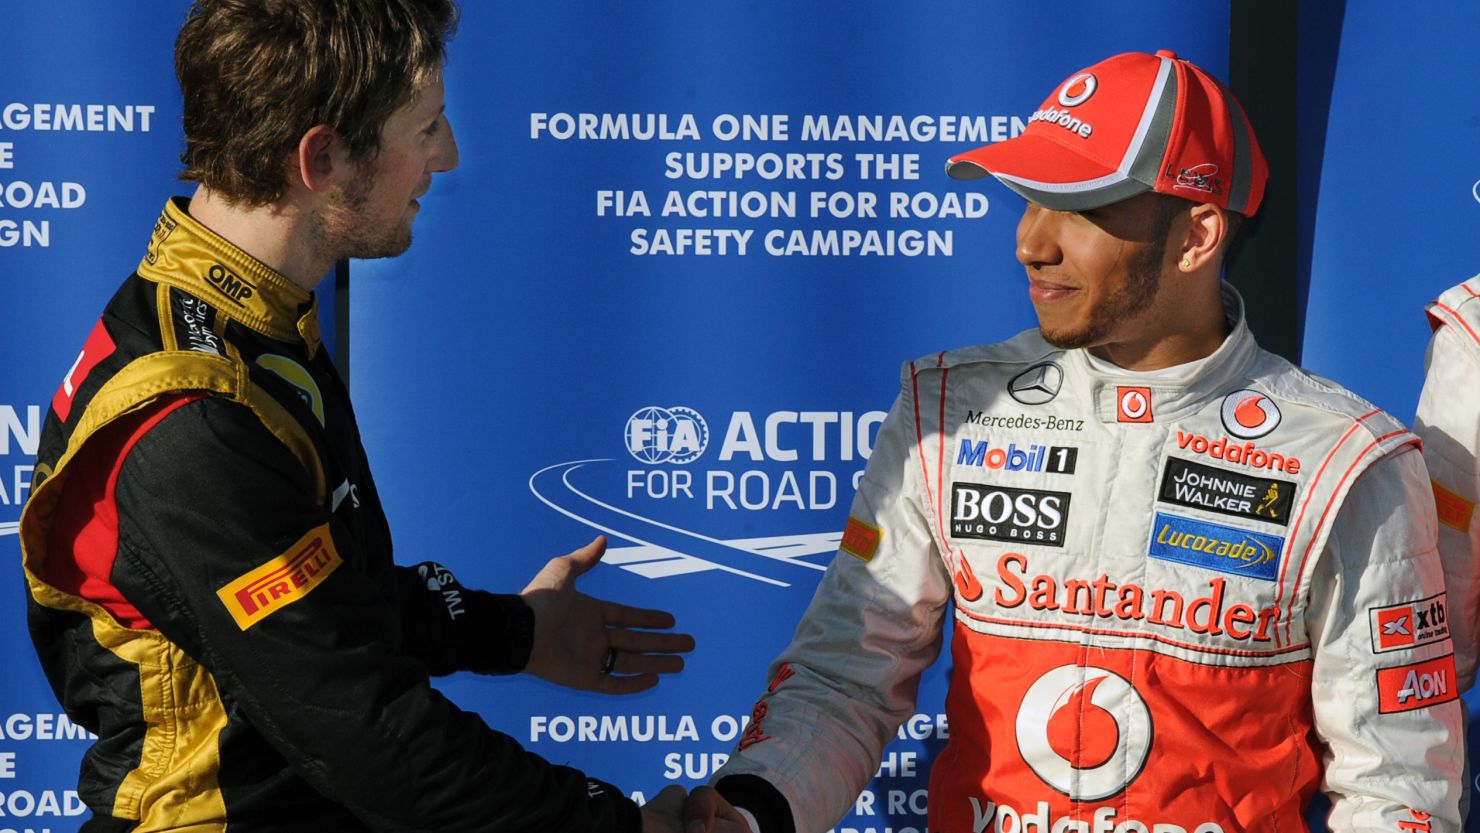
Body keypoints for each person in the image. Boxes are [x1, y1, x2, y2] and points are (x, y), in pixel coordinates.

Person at [684, 50, 1464, 833]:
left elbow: (1397, 784)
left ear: (1196, 236)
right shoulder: (952, 411)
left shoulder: (1345, 458)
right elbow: (843, 677)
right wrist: (752, 811)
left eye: (1081, 207)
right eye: (1028, 198)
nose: (1032, 241)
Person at [18, 2, 741, 831]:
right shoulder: (189, 415)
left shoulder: (250, 324)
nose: (449, 153)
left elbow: (324, 603)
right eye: (426, 126)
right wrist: (624, 825)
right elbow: (366, 728)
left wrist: (515, 630)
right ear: (321, 157)